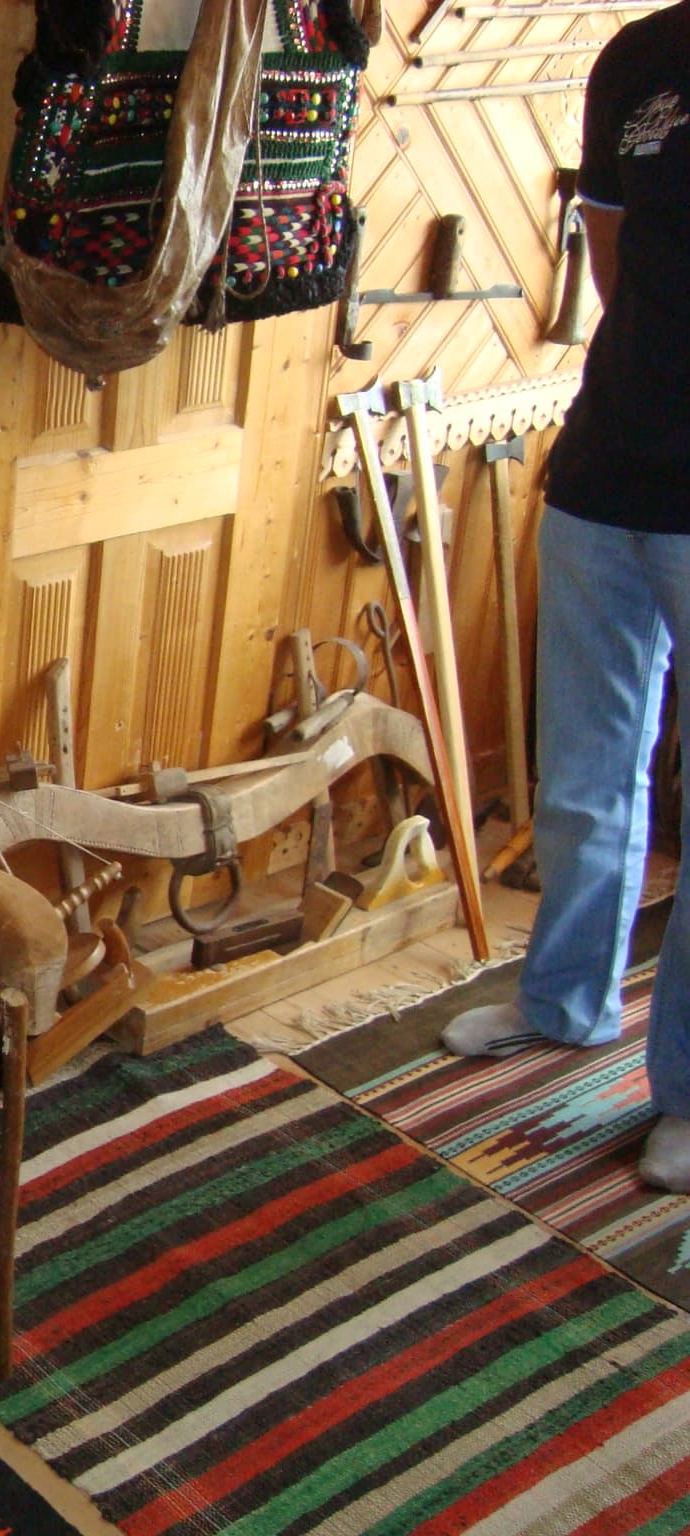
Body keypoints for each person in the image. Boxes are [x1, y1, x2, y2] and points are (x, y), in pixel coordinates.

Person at [440, 1, 690, 1193]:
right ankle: (563, 1006)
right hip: (602, 476)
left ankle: (683, 1095)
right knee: (586, 780)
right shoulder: (638, 56)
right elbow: (608, 261)